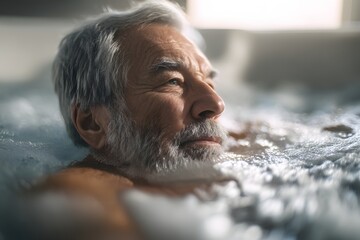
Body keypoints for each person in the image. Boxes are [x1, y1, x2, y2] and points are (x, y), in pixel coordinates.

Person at [31, 0, 228, 238]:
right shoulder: (77, 197)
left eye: (209, 82)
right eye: (172, 81)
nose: (216, 104)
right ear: (92, 123)